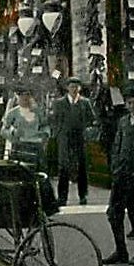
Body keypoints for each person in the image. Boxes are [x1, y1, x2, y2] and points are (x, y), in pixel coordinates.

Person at [102, 85, 134, 266]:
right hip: (122, 175)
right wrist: (115, 167)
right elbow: (117, 146)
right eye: (129, 103)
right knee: (114, 213)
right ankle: (121, 251)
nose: (132, 106)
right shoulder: (123, 121)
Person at [50, 77, 96, 206]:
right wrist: (58, 133)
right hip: (64, 139)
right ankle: (62, 197)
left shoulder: (85, 102)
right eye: (71, 87)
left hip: (80, 138)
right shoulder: (59, 103)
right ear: (67, 88)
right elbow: (54, 120)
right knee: (63, 168)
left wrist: (87, 131)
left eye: (76, 87)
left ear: (79, 88)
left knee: (82, 167)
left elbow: (92, 119)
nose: (74, 89)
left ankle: (83, 196)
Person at [0, 85, 50, 168]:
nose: (25, 100)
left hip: (36, 146)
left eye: (27, 97)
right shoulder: (12, 113)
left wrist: (45, 134)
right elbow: (3, 131)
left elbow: (45, 126)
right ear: (17, 98)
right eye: (22, 97)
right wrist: (13, 133)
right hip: (20, 146)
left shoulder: (38, 112)